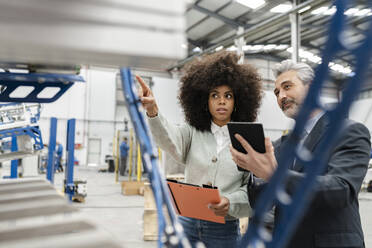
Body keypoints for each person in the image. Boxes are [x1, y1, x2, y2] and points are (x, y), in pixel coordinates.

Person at [230, 59, 371, 248]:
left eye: (287, 87)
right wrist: (254, 174)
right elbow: (262, 202)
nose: (281, 96)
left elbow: (340, 189)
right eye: (277, 92)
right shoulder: (282, 145)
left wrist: (274, 174)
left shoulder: (348, 131)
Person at [137, 51, 263, 248]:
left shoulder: (247, 140)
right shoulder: (192, 132)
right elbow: (170, 139)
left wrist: (230, 202)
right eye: (215, 95)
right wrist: (153, 110)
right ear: (205, 100)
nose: (221, 101)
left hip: (224, 228)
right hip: (187, 222)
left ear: (237, 100)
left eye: (228, 96)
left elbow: (252, 188)